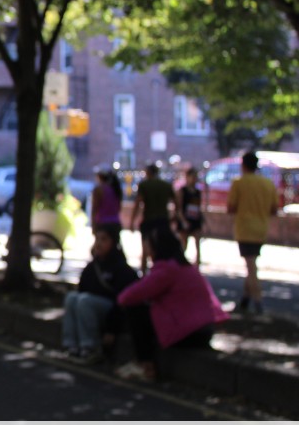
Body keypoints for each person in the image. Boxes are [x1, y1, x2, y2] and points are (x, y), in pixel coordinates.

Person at [115, 227, 228, 382]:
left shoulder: (166, 270)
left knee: (136, 311)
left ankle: (145, 365)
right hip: (204, 330)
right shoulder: (186, 267)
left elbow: (127, 297)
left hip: (188, 332)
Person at [61, 228, 139, 364]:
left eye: (104, 239)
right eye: (97, 239)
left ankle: (91, 347)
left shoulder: (121, 268)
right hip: (89, 309)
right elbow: (81, 289)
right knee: (72, 298)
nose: (98, 244)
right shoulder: (92, 267)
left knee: (84, 301)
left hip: (111, 312)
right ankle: (71, 345)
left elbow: (122, 300)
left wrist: (112, 329)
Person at [228, 151, 278, 315]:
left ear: (243, 165)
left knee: (251, 266)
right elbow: (274, 209)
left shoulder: (239, 183)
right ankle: (245, 298)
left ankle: (258, 301)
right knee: (251, 262)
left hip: (245, 229)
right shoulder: (268, 184)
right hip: (261, 229)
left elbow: (231, 207)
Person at [129, 163, 175, 274]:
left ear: (148, 173)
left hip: (149, 220)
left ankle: (144, 274)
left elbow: (138, 203)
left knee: (145, 249)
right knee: (162, 249)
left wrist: (132, 221)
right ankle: (160, 272)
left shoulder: (144, 185)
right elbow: (176, 202)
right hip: (163, 220)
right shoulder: (165, 185)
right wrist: (174, 216)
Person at [175, 166, 204, 265]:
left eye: (195, 177)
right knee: (184, 244)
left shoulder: (197, 192)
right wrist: (183, 221)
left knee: (198, 243)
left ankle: (197, 264)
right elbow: (178, 208)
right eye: (193, 177)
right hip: (185, 219)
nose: (194, 179)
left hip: (195, 219)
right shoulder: (182, 191)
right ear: (187, 177)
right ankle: (180, 264)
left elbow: (198, 207)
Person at [91, 165, 123, 239]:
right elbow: (119, 208)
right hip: (115, 224)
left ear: (99, 176)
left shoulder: (98, 190)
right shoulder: (116, 189)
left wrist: (93, 225)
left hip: (102, 224)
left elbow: (94, 209)